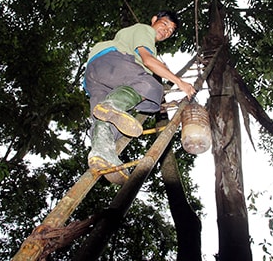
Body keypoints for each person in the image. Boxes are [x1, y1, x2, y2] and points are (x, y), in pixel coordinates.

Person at [84, 10, 196, 184]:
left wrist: (158, 63)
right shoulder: (145, 30)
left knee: (104, 121)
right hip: (113, 61)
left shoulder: (136, 36)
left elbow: (151, 59)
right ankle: (113, 105)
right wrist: (180, 82)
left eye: (170, 31)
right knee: (150, 87)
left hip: (95, 76)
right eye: (164, 24)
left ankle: (101, 154)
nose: (166, 31)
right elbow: (148, 60)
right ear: (154, 20)